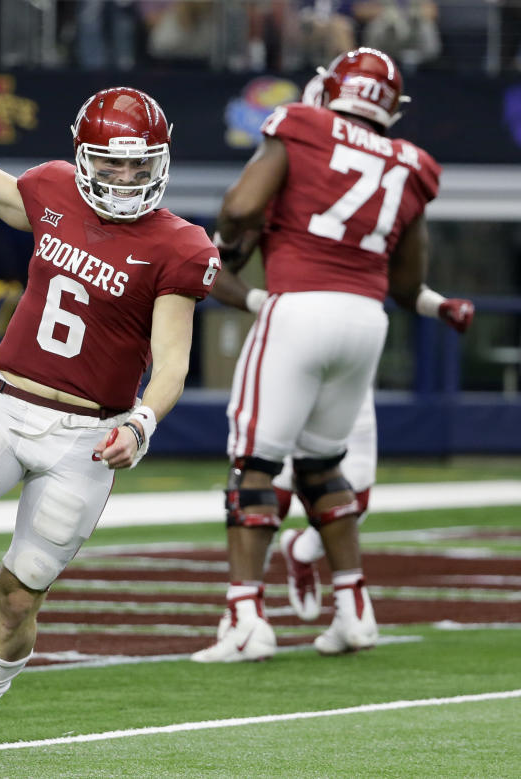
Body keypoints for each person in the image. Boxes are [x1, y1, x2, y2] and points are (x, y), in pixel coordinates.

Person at [0, 54, 221, 761]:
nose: (124, 178)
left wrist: (141, 421)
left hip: (87, 434)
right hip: (6, 402)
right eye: (111, 165)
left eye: (137, 164)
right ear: (83, 157)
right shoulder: (55, 190)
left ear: (161, 161)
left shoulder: (180, 244)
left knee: (20, 599)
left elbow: (173, 359)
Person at [189, 47, 451, 664]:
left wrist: (230, 242)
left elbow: (238, 207)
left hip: (299, 305)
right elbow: (409, 283)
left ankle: (246, 619)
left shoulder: (302, 124)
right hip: (365, 320)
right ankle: (354, 610)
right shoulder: (414, 163)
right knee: (322, 465)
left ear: (333, 88)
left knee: (253, 464)